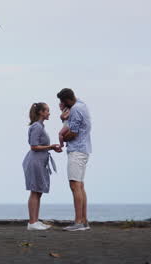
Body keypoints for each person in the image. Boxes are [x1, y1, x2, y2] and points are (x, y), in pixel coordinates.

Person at [22, 102, 62, 231]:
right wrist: (50, 147)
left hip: (40, 161)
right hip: (35, 161)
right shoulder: (37, 127)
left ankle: (35, 221)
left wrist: (51, 148)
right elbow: (34, 146)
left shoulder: (40, 126)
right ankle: (32, 222)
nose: (49, 113)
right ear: (41, 112)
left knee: (38, 191)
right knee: (35, 190)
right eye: (47, 111)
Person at [56, 88, 92, 232]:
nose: (61, 104)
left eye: (62, 102)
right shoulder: (82, 104)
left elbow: (73, 133)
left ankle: (78, 222)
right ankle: (84, 221)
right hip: (84, 149)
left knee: (74, 185)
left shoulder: (76, 109)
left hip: (76, 150)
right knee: (80, 186)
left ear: (67, 101)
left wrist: (63, 138)